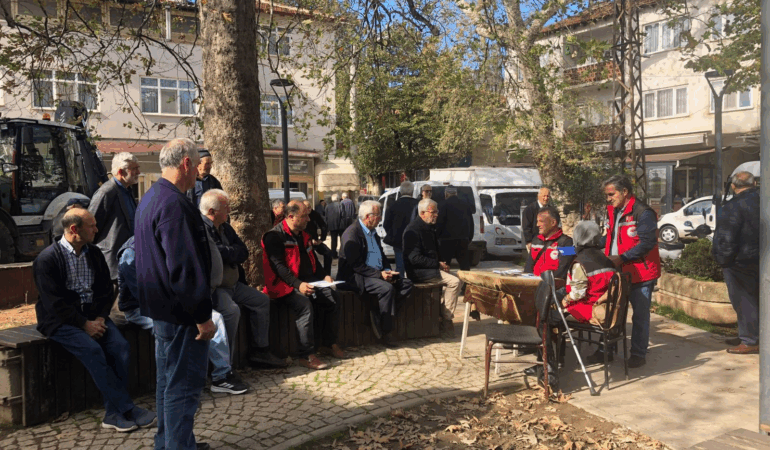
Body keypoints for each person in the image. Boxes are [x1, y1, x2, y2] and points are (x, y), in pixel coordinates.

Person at [34, 208, 156, 433]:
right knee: (93, 350)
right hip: (60, 321)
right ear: (74, 229)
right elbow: (54, 304)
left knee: (121, 347)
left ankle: (112, 414)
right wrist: (83, 324)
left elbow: (105, 291)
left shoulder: (94, 253)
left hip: (94, 316)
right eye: (92, 226)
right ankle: (127, 408)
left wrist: (99, 317)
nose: (97, 229)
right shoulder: (47, 259)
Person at [135, 138, 216, 450]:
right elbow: (183, 265)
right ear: (186, 163)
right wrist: (202, 317)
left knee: (167, 382)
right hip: (182, 314)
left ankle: (170, 443)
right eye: (196, 166)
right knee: (182, 386)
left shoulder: (151, 196)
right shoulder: (174, 204)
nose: (198, 172)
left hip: (162, 310)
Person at [117, 236, 249, 395]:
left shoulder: (169, 243)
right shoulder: (131, 253)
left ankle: (222, 376)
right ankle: (177, 384)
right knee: (175, 327)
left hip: (174, 302)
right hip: (140, 308)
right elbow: (145, 296)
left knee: (215, 318)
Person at [201, 190, 289, 368]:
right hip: (217, 288)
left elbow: (243, 251)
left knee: (262, 301)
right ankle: (225, 366)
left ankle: (260, 351)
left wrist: (227, 252)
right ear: (212, 211)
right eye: (225, 208)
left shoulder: (225, 226)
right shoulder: (201, 229)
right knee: (232, 312)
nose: (229, 212)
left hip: (235, 283)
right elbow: (213, 254)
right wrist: (228, 252)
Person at [262, 200, 344, 370]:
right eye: (304, 216)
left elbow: (312, 259)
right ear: (291, 217)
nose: (309, 219)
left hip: (307, 281)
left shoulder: (303, 235)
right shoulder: (274, 237)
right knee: (304, 305)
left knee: (332, 298)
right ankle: (305, 354)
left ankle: (327, 343)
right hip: (282, 285)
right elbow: (279, 268)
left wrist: (325, 276)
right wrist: (298, 285)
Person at [602, 175, 660, 368]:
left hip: (641, 273)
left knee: (640, 316)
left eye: (612, 194)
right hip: (618, 272)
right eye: (607, 195)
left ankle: (638, 354)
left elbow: (647, 243)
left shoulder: (643, 213)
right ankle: (606, 350)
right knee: (612, 312)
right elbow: (611, 237)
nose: (608, 198)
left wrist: (623, 257)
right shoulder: (612, 210)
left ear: (624, 192)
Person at [338, 200, 413, 346]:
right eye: (378, 215)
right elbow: (356, 265)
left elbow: (382, 256)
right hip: (358, 276)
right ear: (368, 216)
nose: (380, 219)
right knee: (387, 289)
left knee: (407, 284)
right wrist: (379, 275)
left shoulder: (373, 233)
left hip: (376, 273)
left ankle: (380, 312)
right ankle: (386, 332)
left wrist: (387, 270)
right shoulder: (352, 233)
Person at [713, 171, 760, 354]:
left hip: (740, 262)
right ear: (754, 183)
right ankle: (749, 335)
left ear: (733, 186)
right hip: (760, 259)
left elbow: (726, 238)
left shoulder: (733, 206)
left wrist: (723, 260)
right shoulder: (763, 201)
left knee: (744, 301)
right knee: (758, 299)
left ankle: (749, 340)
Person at [403, 198, 462, 335]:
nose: (436, 214)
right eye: (433, 212)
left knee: (459, 278)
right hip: (419, 272)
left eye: (437, 211)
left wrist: (442, 263)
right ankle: (446, 318)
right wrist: (437, 264)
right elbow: (414, 258)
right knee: (454, 282)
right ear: (423, 213)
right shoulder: (413, 229)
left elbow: (434, 251)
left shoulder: (429, 227)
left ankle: (442, 314)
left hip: (430, 269)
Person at [88, 152, 140, 288]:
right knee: (113, 307)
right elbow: (90, 227)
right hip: (112, 265)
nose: (138, 172)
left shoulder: (127, 190)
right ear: (121, 171)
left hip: (128, 261)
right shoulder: (106, 192)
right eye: (134, 169)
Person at [562, 221, 616, 323]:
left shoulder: (580, 262)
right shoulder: (605, 258)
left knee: (553, 314)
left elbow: (578, 293)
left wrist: (566, 299)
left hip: (588, 308)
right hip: (606, 306)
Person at [524, 207, 574, 279]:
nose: (537, 225)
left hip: (554, 287)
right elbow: (528, 266)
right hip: (534, 285)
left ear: (553, 222)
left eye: (541, 221)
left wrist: (546, 285)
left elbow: (563, 270)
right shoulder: (536, 241)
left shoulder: (568, 243)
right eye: (537, 221)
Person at [436, 185, 474, 272]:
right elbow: (471, 223)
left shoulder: (442, 205)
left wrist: (437, 237)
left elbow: (440, 223)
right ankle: (465, 283)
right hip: (463, 239)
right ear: (456, 193)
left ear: (446, 194)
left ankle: (447, 284)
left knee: (445, 266)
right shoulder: (465, 205)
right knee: (465, 266)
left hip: (446, 240)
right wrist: (469, 238)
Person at [384, 181, 418, 274]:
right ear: (412, 191)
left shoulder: (392, 205)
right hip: (414, 241)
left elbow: (386, 224)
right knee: (414, 267)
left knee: (400, 267)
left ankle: (401, 286)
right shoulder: (418, 204)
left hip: (398, 241)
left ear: (400, 192)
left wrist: (393, 234)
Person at [303, 199, 333, 275]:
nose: (309, 209)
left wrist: (322, 239)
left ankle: (327, 273)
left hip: (315, 241)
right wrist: (309, 240)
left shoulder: (314, 214)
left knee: (328, 253)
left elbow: (323, 226)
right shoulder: (301, 216)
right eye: (307, 207)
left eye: (309, 207)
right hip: (304, 242)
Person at [522, 187, 552, 253]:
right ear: (539, 196)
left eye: (548, 196)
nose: (546, 198)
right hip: (534, 241)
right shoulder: (529, 209)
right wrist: (529, 241)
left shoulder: (551, 210)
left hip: (548, 242)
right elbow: (526, 227)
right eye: (544, 196)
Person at [325, 194, 346, 259]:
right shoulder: (340, 205)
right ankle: (342, 254)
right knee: (342, 240)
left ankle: (333, 254)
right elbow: (343, 215)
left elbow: (326, 216)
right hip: (340, 225)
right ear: (338, 199)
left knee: (333, 241)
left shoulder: (328, 206)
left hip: (332, 225)